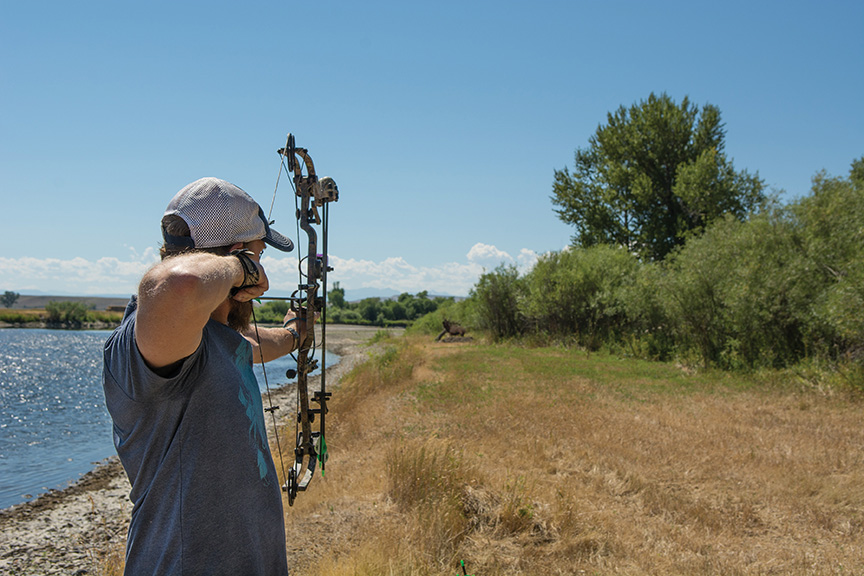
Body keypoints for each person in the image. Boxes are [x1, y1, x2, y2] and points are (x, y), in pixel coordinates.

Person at [102, 177, 306, 575]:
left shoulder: (217, 339)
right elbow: (178, 284)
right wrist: (243, 265)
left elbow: (254, 341)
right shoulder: (148, 338)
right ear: (236, 261)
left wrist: (296, 334)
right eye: (260, 255)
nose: (263, 271)